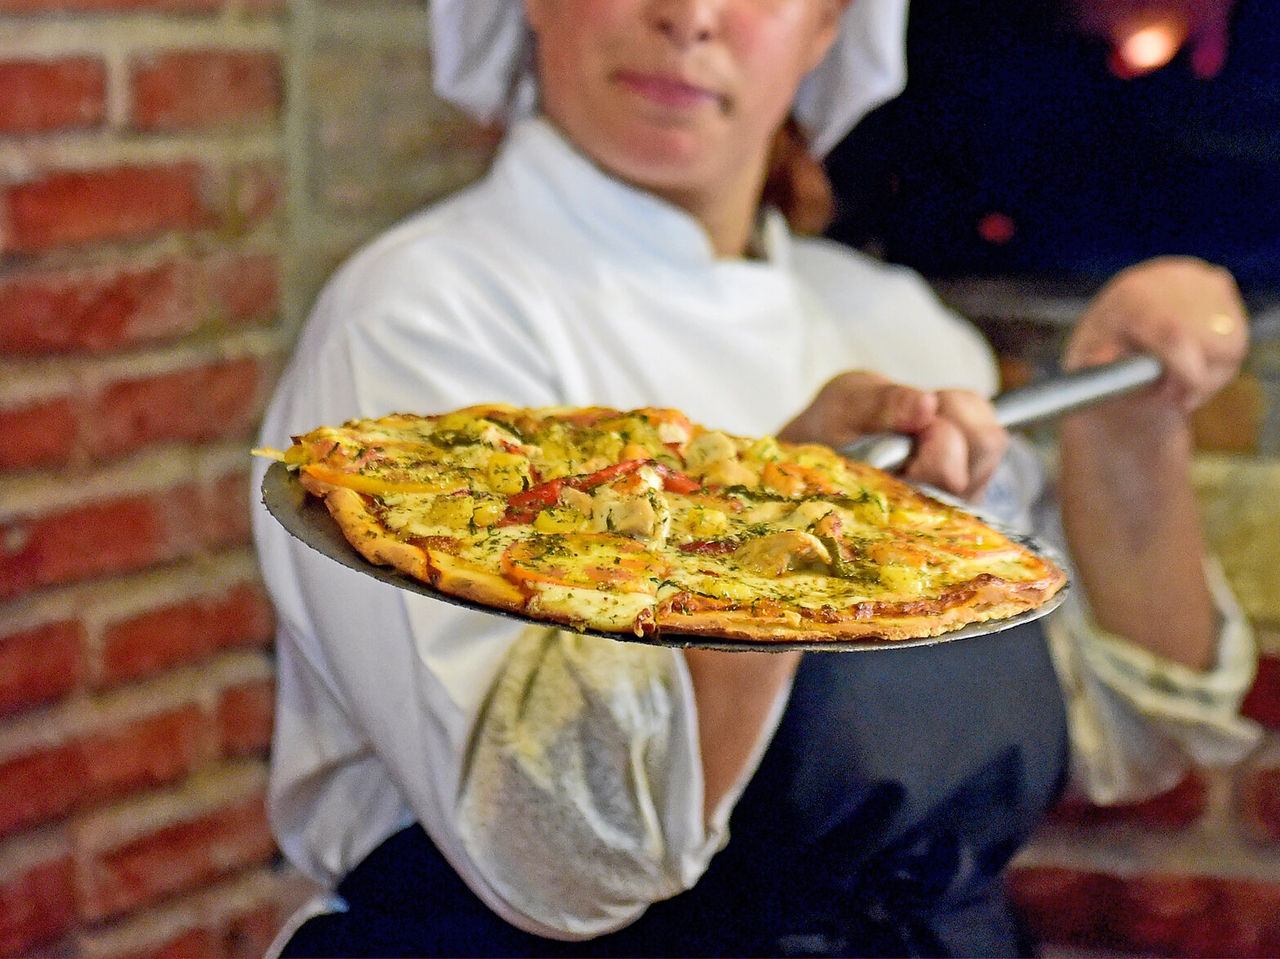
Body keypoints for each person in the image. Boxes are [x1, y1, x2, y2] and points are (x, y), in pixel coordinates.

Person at [252, 1, 1259, 955]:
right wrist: (766, 529)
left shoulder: (895, 324)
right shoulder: (418, 325)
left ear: (829, 25)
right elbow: (550, 853)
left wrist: (1124, 418)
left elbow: (1125, 732)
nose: (690, 15)